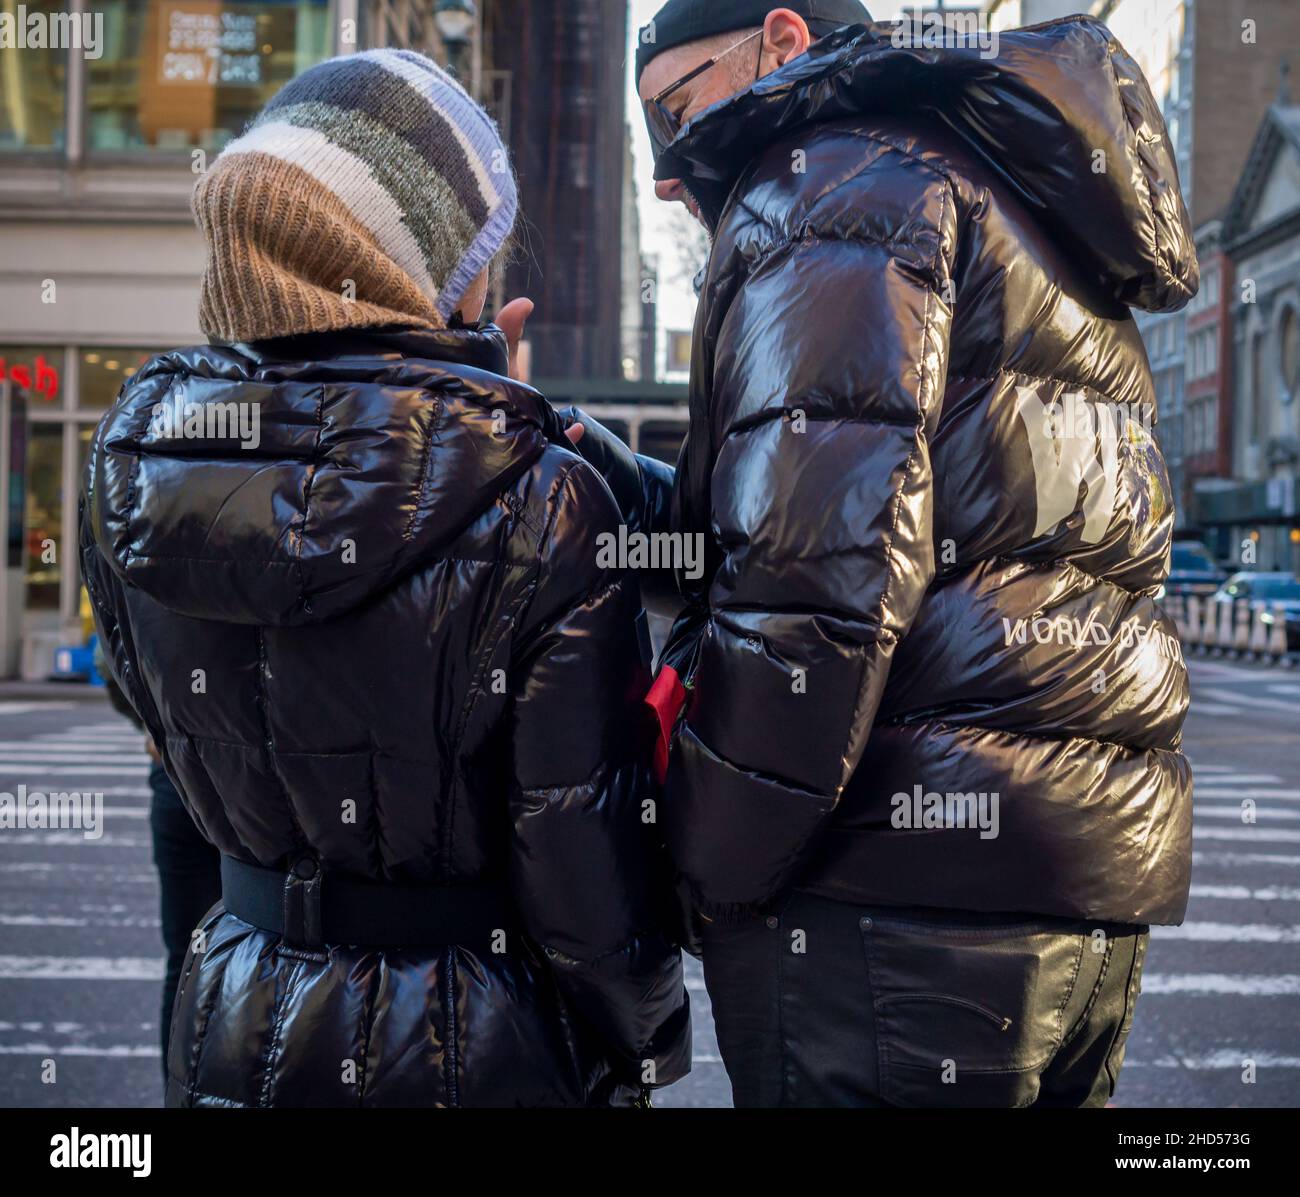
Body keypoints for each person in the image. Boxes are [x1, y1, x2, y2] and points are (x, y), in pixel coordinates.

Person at [565, 1, 1197, 1107]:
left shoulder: (830, 183)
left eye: (677, 106)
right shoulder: (1020, 198)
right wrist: (636, 498)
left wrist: (712, 868)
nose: (668, 170)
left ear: (782, 40)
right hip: (1083, 870)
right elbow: (937, 522)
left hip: (890, 892)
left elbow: (819, 584)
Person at [79, 48, 689, 1108]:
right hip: (477, 1042)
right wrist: (643, 1048)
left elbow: (174, 803)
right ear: (434, 267)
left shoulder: (133, 471)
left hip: (234, 1015)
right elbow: (583, 867)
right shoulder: (536, 496)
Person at [96, 644, 221, 1078]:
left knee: (189, 959)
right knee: (287, 948)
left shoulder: (149, 574)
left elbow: (111, 658)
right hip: (268, 783)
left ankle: (179, 1091)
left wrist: (154, 722)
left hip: (179, 767)